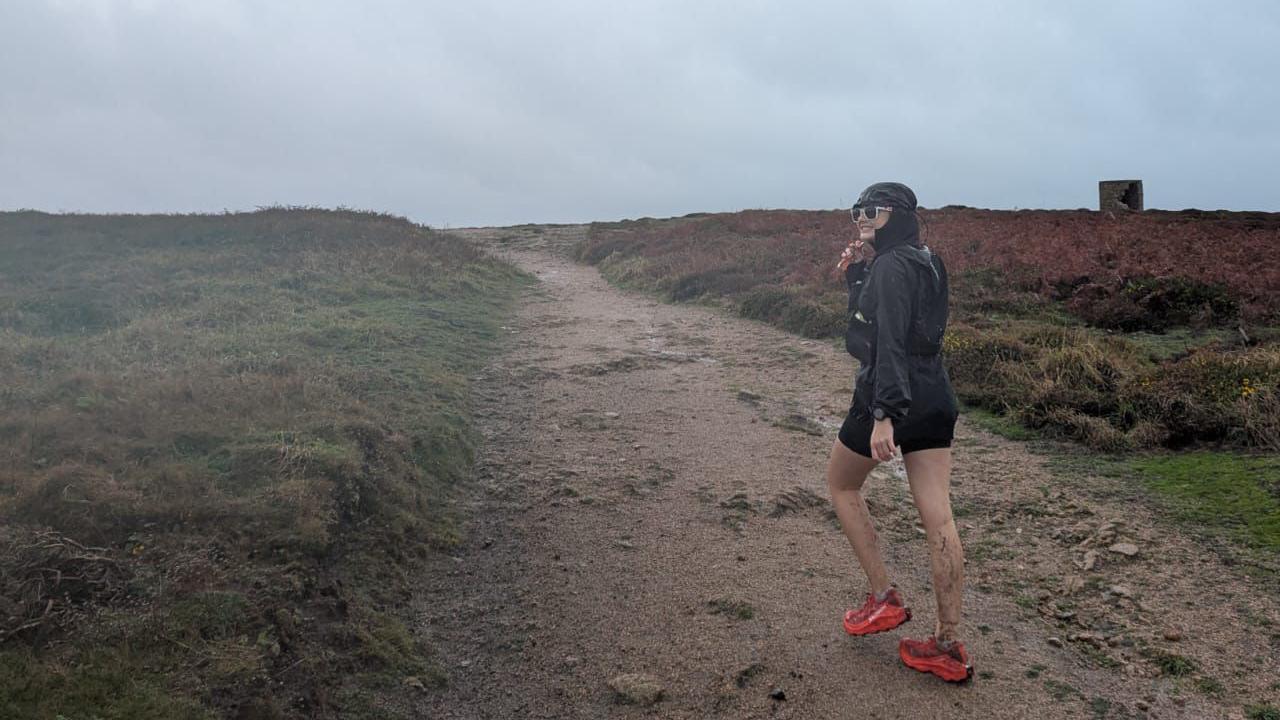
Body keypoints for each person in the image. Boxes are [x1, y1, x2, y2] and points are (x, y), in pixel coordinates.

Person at [827, 181, 972, 683]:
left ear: (901, 214)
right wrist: (858, 278)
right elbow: (905, 325)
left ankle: (884, 598)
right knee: (939, 516)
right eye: (857, 210)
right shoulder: (928, 260)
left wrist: (885, 414)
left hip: (890, 395)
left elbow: (881, 342)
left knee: (842, 484)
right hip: (934, 394)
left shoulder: (889, 267)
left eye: (873, 210)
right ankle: (948, 644)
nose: (862, 218)